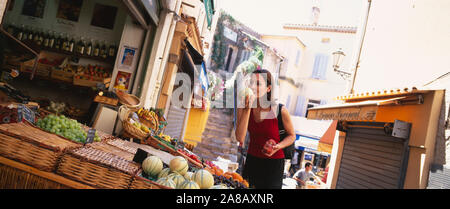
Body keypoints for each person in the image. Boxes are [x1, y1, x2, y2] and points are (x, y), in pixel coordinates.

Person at [235, 69, 296, 189]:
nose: (252, 86)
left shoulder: (280, 111)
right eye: (251, 82)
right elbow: (240, 137)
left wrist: (278, 146)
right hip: (252, 161)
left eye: (258, 83)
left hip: (274, 165)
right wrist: (247, 109)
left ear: (268, 88)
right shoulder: (243, 106)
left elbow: (292, 135)